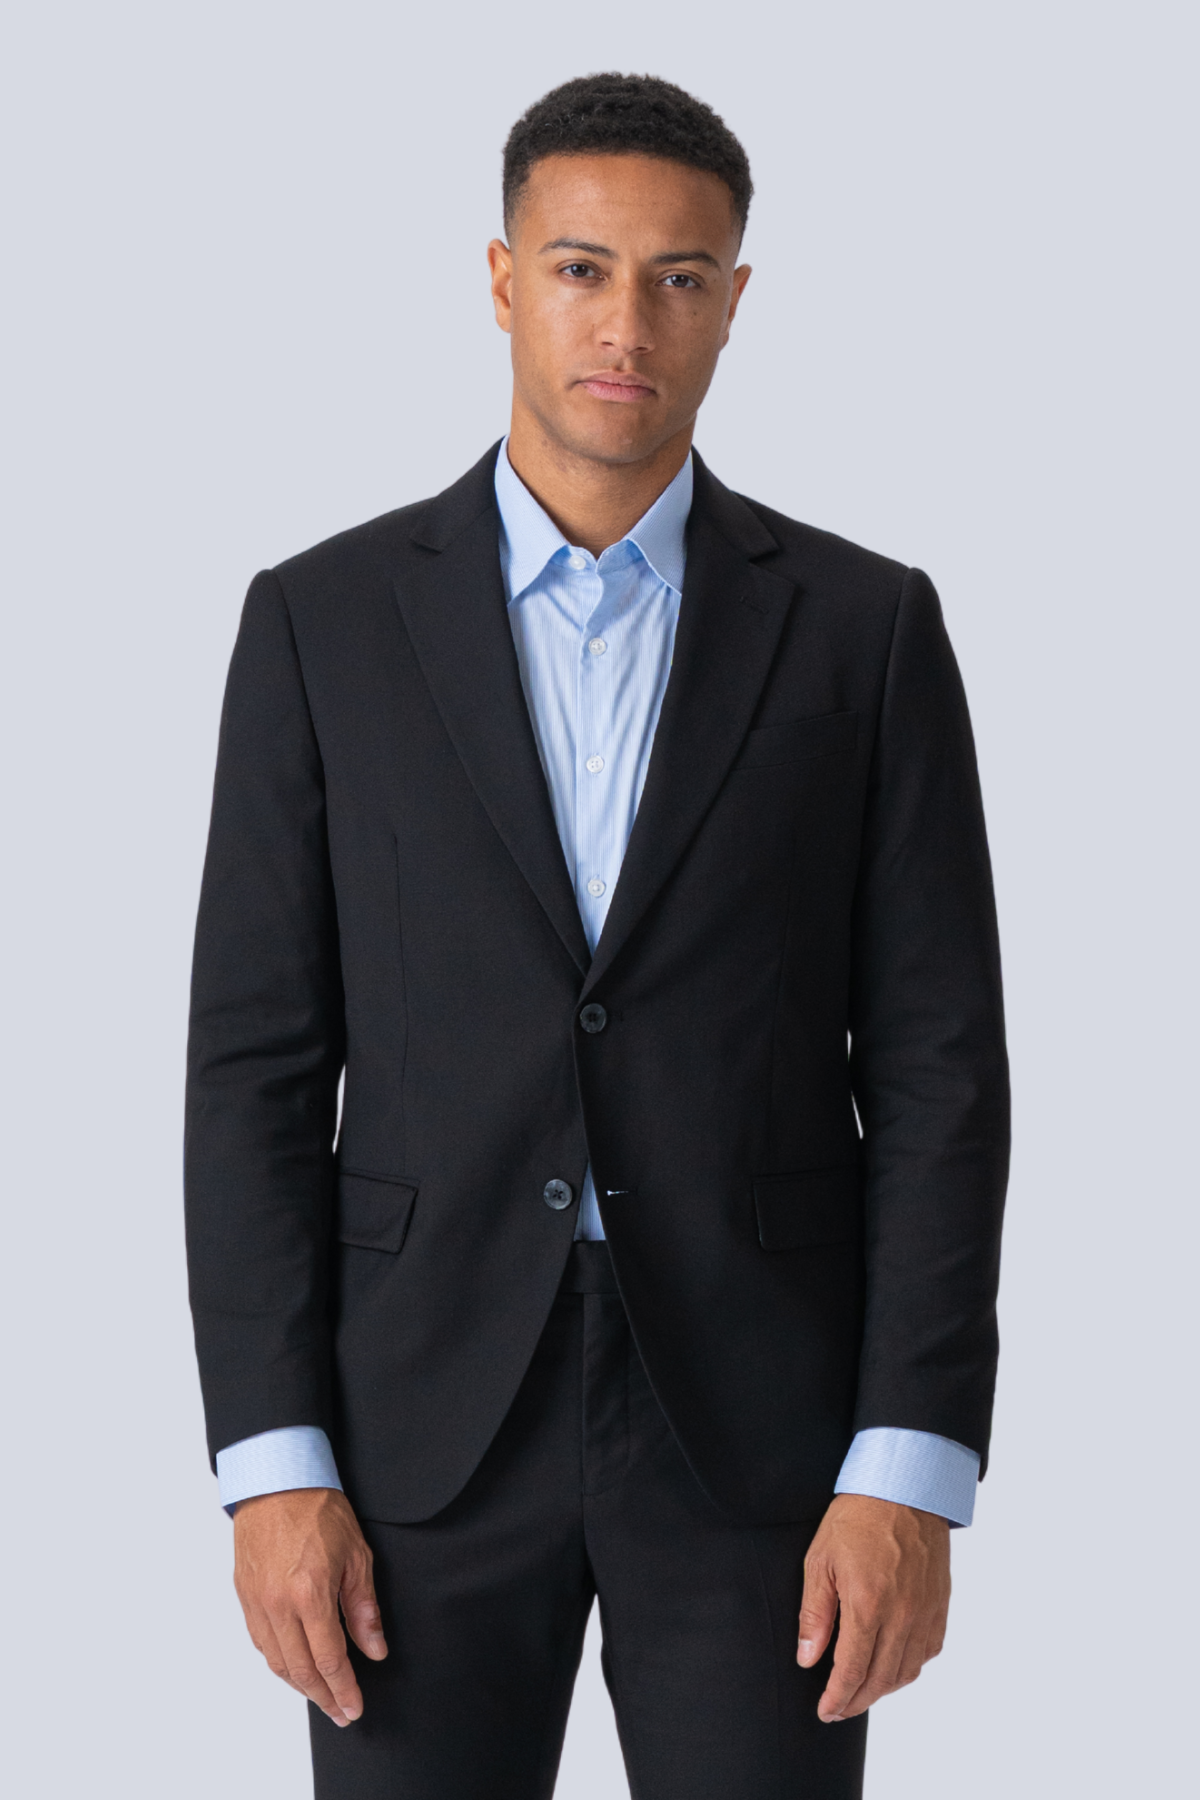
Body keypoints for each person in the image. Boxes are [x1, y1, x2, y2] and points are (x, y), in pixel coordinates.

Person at [185, 71, 1009, 1800]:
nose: (627, 324)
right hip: (412, 1438)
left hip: (765, 1440)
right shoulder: (322, 624)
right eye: (580, 269)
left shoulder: (863, 630)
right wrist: (271, 1464)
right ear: (503, 281)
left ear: (735, 301)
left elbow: (942, 1067)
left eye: (678, 278)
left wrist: (909, 1465)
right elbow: (253, 1068)